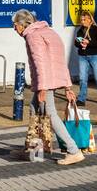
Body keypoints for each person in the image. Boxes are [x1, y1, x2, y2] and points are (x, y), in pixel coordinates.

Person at [12, 9, 84, 165]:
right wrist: (67, 86)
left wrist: (42, 88)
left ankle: (73, 150)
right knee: (33, 108)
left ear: (23, 24)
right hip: (50, 79)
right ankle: (33, 150)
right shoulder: (48, 31)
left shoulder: (32, 36)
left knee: (50, 114)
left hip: (46, 81)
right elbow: (60, 60)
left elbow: (41, 63)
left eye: (15, 24)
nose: (14, 28)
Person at [75, 11, 97, 106]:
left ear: (90, 20)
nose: (82, 21)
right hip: (83, 57)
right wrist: (80, 43)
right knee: (82, 78)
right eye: (81, 20)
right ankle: (81, 99)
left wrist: (88, 43)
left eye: (84, 19)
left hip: (95, 56)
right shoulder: (80, 30)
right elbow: (76, 42)